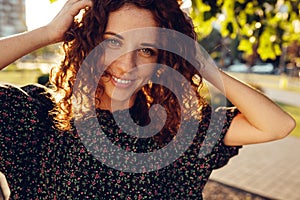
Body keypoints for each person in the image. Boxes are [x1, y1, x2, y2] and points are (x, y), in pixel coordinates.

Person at [0, 0, 296, 199]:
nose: (127, 65)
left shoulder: (176, 129)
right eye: (112, 42)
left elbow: (277, 125)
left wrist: (201, 64)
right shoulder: (37, 117)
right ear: (88, 42)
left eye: (146, 50)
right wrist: (46, 33)